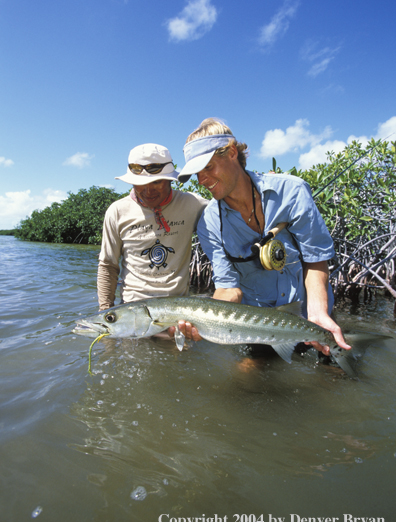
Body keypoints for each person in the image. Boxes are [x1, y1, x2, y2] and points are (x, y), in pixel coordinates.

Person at [177, 118, 350, 356]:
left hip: (313, 312)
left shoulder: (292, 191)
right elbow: (229, 289)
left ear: (231, 153)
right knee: (245, 384)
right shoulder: (208, 225)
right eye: (197, 173)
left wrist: (318, 313)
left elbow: (315, 259)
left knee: (335, 377)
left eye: (208, 167)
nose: (202, 180)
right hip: (260, 329)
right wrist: (203, 322)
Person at [97, 143, 207, 312]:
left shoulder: (192, 204)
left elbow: (229, 215)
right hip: (132, 309)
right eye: (140, 183)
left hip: (178, 310)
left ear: (170, 180)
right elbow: (108, 265)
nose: (148, 191)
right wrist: (105, 313)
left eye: (156, 182)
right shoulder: (117, 211)